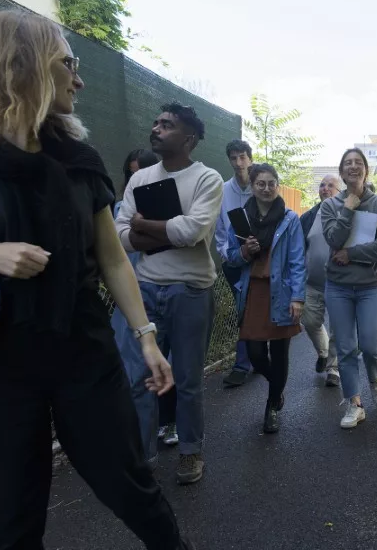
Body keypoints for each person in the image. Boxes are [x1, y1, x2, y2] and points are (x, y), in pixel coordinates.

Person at [0, 10, 192, 550]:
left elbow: (114, 258)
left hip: (81, 348)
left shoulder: (79, 159)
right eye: (68, 63)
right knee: (8, 517)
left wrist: (146, 338)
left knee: (132, 487)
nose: (79, 77)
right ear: (23, 65)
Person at [116, 102, 223, 485]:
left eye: (168, 125)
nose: (157, 128)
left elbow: (191, 232)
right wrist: (153, 229)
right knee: (137, 378)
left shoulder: (207, 179)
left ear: (189, 139)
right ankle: (143, 458)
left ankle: (191, 452)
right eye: (157, 122)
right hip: (144, 289)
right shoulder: (139, 179)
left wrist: (144, 226)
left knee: (188, 379)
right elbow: (120, 237)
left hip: (192, 291)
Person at [225, 164, 305, 433]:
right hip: (253, 292)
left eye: (272, 183)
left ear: (277, 186)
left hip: (281, 292)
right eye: (261, 183)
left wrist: (298, 297)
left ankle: (271, 405)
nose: (267, 188)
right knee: (256, 353)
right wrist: (245, 252)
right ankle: (278, 386)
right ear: (252, 186)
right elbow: (230, 256)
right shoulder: (240, 218)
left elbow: (297, 260)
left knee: (279, 352)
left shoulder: (290, 219)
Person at [321, 148, 377, 429]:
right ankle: (354, 403)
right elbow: (334, 239)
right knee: (347, 347)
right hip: (338, 286)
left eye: (358, 163)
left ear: (366, 170)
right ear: (341, 172)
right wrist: (348, 208)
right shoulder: (330, 206)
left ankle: (375, 378)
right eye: (347, 163)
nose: (353, 167)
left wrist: (351, 254)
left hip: (370, 286)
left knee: (371, 345)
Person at [112, 149, 178, 447]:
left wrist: (144, 228)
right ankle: (144, 451)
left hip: (165, 297)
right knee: (134, 376)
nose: (134, 181)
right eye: (130, 174)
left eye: (142, 174)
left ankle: (172, 422)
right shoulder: (116, 211)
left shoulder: (172, 210)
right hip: (129, 304)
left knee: (171, 370)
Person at [214, 139, 255, 388]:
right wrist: (225, 254)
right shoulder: (223, 189)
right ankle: (257, 355)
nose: (238, 163)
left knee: (246, 309)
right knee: (246, 309)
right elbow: (219, 227)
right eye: (233, 158)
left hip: (258, 260)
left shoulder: (260, 185)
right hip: (233, 261)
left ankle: (243, 364)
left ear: (250, 158)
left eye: (242, 157)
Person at [300, 174, 342, 386]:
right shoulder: (308, 217)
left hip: (338, 284)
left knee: (336, 327)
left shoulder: (346, 214)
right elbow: (299, 251)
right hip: (312, 283)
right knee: (310, 321)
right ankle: (324, 353)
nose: (325, 188)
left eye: (330, 185)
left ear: (339, 191)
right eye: (322, 185)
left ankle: (333, 369)